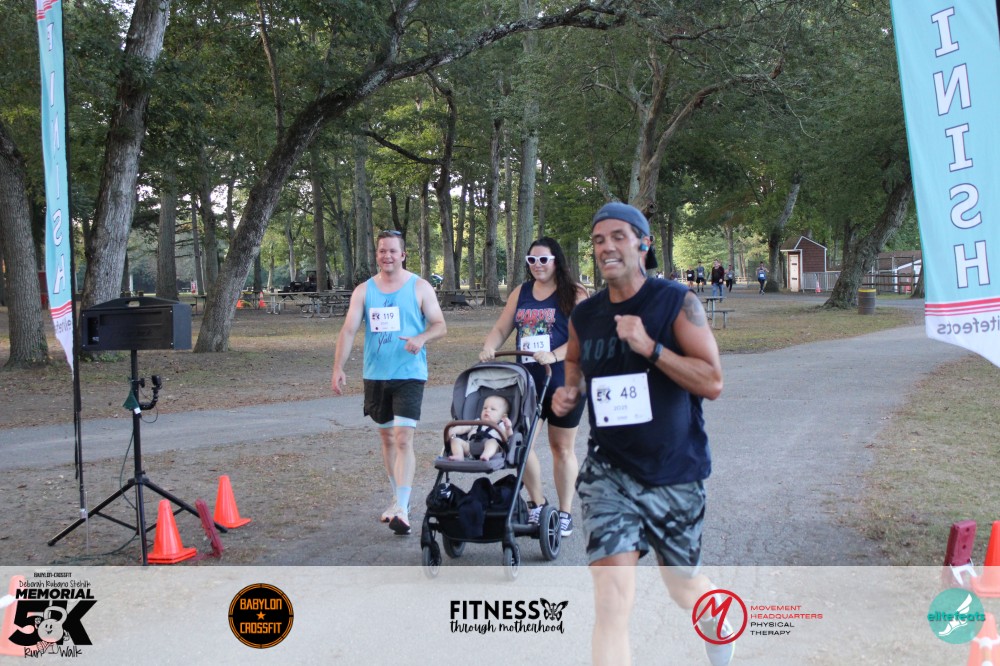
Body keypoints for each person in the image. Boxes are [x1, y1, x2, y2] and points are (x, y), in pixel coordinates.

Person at [551, 202, 731, 666]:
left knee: (683, 587)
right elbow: (574, 359)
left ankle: (716, 621)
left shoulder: (675, 302)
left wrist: (650, 347)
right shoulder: (585, 315)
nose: (606, 247)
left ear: (643, 244)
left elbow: (712, 382)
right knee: (611, 603)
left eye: (618, 236)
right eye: (598, 240)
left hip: (673, 471)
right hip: (608, 473)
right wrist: (571, 390)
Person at [331, 229, 447, 536]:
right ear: (377, 254)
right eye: (382, 251)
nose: (387, 256)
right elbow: (348, 330)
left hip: (409, 374)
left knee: (403, 438)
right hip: (376, 375)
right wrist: (338, 367)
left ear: (403, 254)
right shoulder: (364, 290)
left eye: (393, 251)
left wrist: (421, 338)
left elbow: (440, 325)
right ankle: (398, 500)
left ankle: (403, 508)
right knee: (387, 439)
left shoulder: (419, 287)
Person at [479, 237, 589, 537]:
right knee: (520, 444)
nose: (537, 265)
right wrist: (489, 346)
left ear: (556, 261)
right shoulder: (521, 292)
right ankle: (538, 503)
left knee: (561, 448)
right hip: (528, 383)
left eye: (543, 260)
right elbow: (502, 327)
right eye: (532, 260)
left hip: (565, 382)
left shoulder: (575, 292)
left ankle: (564, 513)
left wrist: (554, 355)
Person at [446, 394, 513, 461]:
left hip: (491, 449)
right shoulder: (477, 422)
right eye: (485, 408)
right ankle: (458, 455)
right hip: (470, 447)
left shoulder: (501, 425)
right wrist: (453, 431)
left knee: (493, 442)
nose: (487, 410)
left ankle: (486, 455)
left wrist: (508, 428)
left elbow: (509, 436)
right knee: (455, 441)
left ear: (503, 417)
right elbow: (463, 427)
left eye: (493, 409)